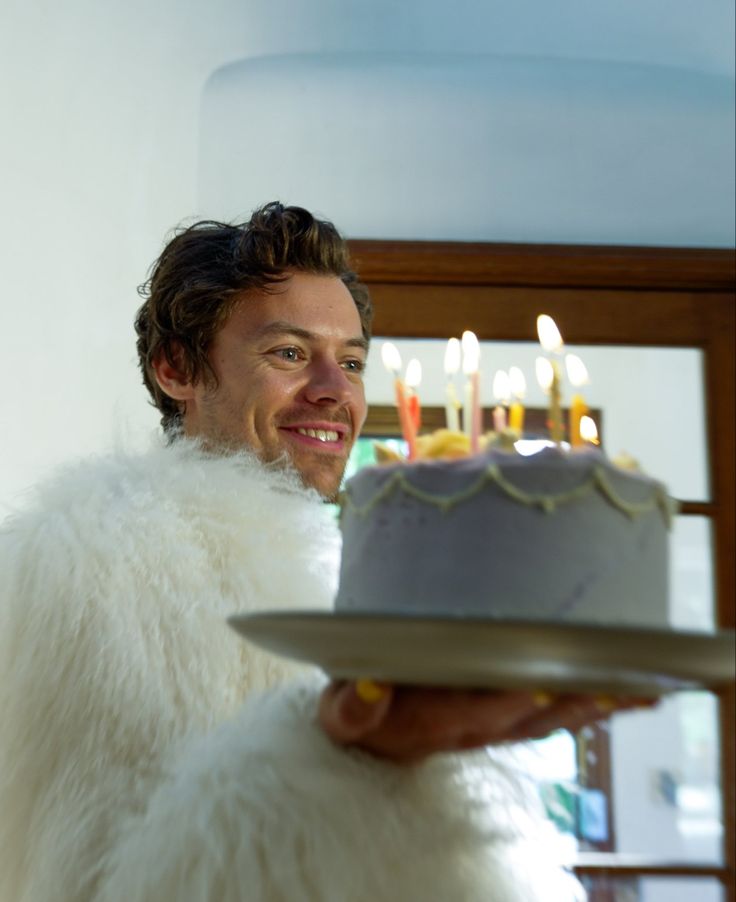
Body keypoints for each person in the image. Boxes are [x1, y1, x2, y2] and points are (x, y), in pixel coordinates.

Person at [0, 202, 642, 901]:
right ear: (175, 368)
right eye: (290, 354)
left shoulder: (352, 568)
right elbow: (104, 884)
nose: (336, 392)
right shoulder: (99, 568)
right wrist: (348, 745)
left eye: (353, 361)